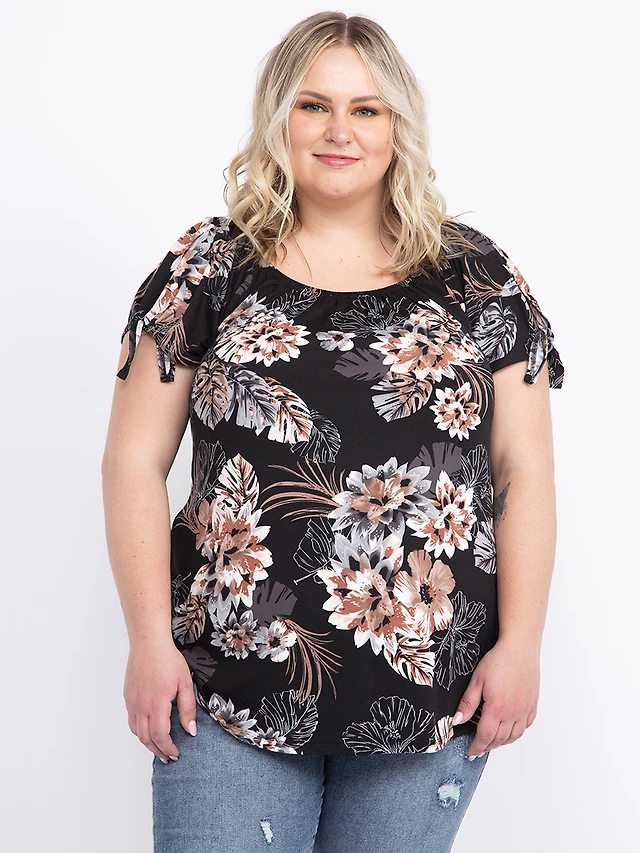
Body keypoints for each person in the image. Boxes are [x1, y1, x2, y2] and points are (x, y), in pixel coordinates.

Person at [102, 11, 564, 853]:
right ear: (279, 116)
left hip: (431, 689)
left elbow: (522, 470)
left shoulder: (477, 278)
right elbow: (134, 459)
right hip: (223, 681)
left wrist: (523, 644)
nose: (339, 131)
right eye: (314, 105)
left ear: (398, 126)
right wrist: (147, 642)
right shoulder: (208, 269)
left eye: (367, 109)